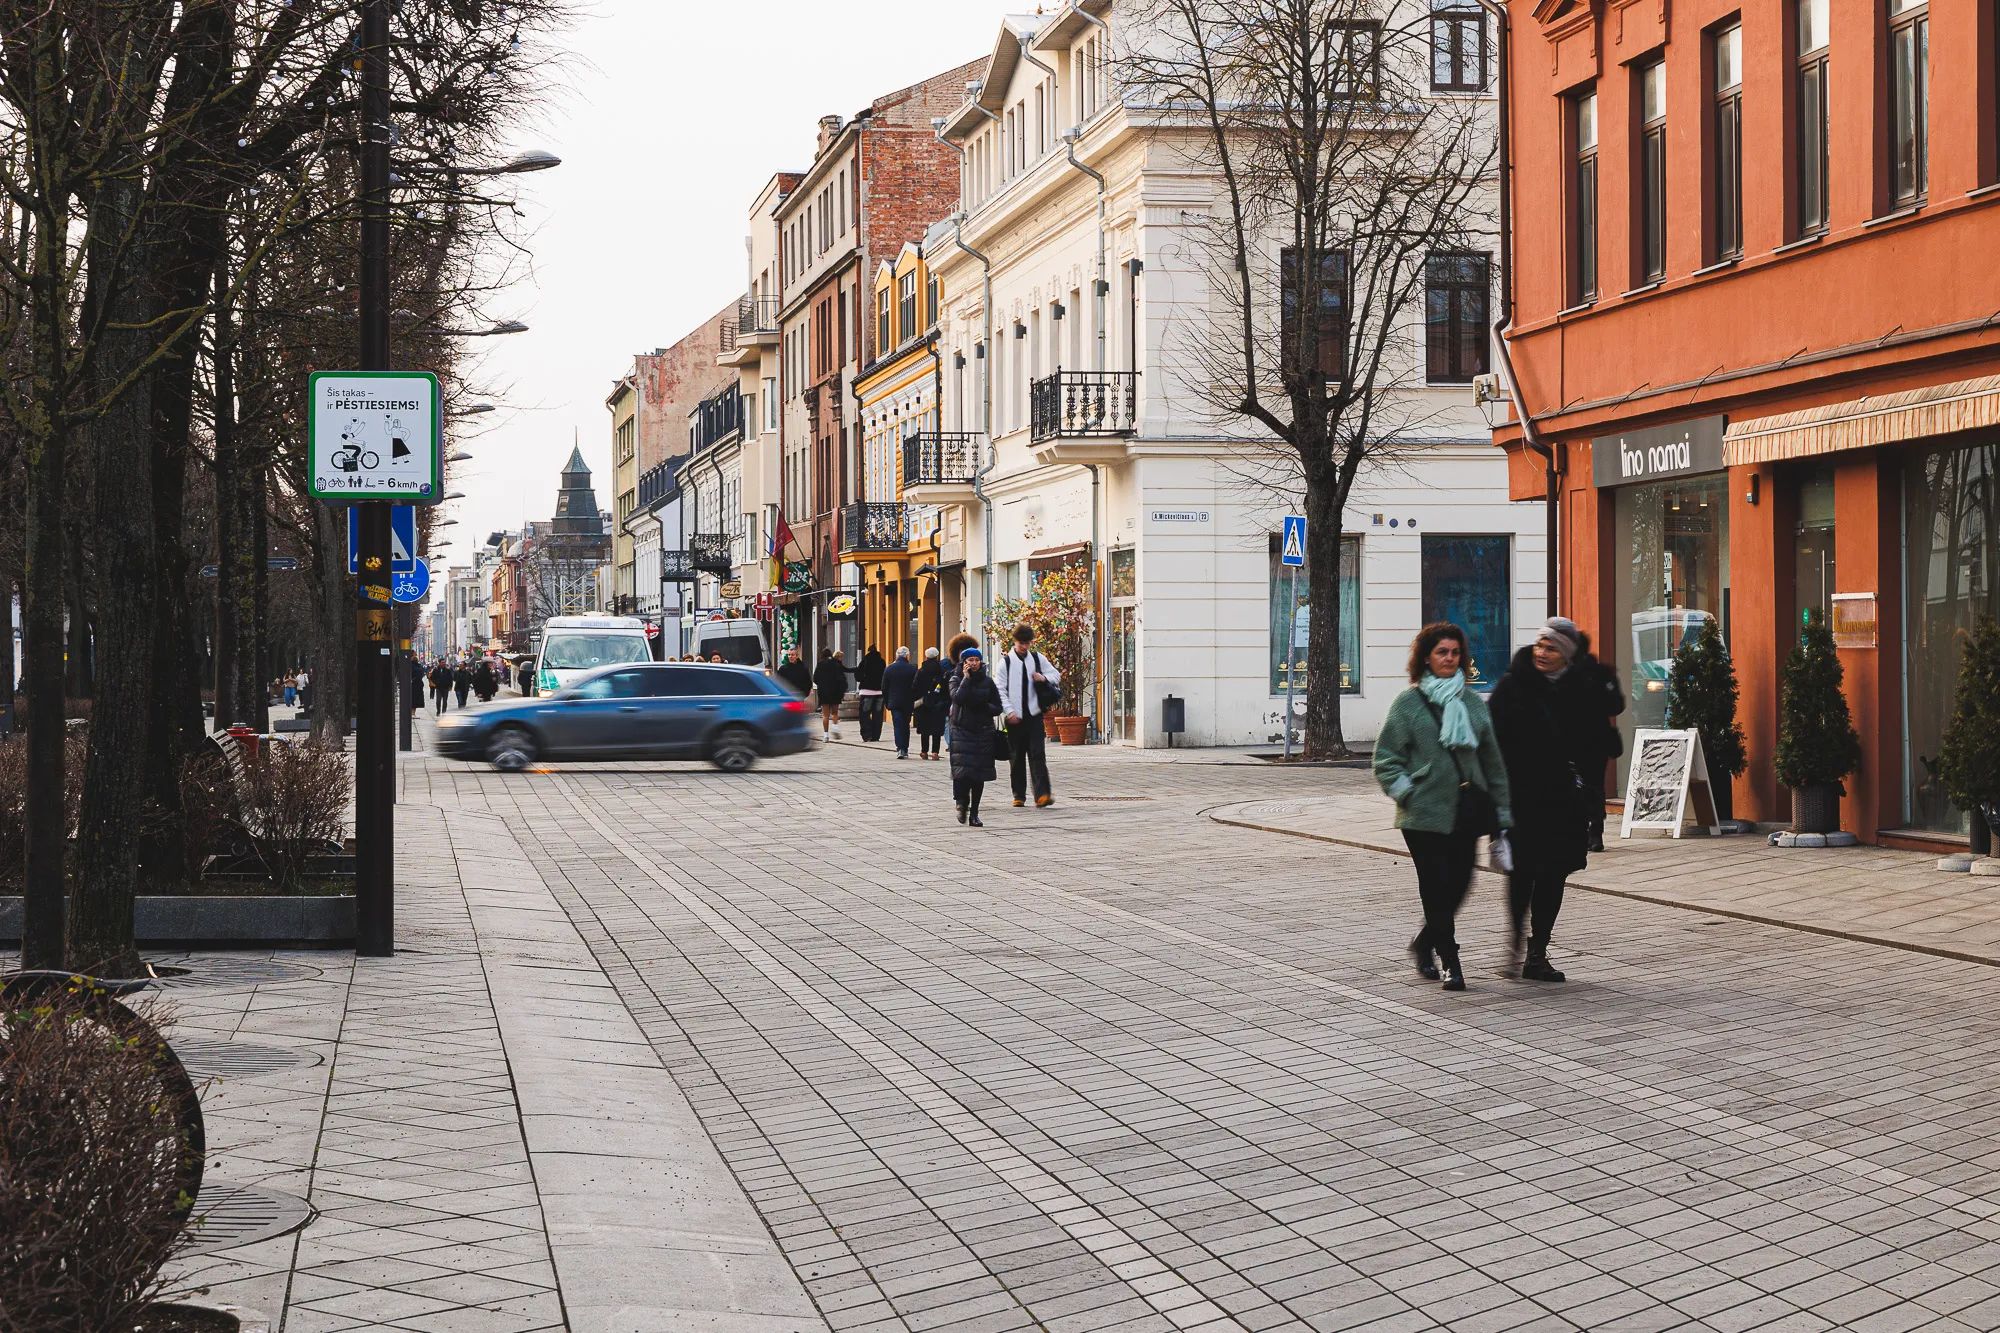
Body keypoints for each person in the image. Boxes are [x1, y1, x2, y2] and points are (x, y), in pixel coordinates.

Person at [1372, 622, 1513, 993]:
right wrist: (1407, 791)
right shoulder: (1409, 703)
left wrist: (1502, 811)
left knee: (1460, 886)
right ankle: (1451, 959)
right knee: (1435, 888)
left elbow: (1493, 763)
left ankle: (1423, 943)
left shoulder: (1472, 702)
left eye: (1455, 653)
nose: (1449, 659)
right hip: (1422, 815)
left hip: (1465, 812)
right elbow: (1386, 758)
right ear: (1426, 658)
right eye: (1441, 652)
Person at [1488, 618, 1610, 983]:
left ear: (1567, 654)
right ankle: (1514, 940)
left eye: (1552, 647)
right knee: (1522, 873)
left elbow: (1595, 747)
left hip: (1564, 803)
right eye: (1541, 644)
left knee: (1554, 875)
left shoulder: (1582, 690)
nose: (1542, 652)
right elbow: (1492, 743)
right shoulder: (1512, 687)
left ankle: (1537, 952)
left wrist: (1589, 797)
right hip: (1521, 798)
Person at [1571, 630, 1626, 852]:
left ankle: (1586, 831)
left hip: (1576, 739)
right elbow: (1618, 706)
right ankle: (1595, 832)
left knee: (1579, 785)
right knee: (1595, 785)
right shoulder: (1602, 673)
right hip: (1597, 740)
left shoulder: (1569, 674)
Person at [996, 623, 1060, 808]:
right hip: (1014, 717)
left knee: (1038, 753)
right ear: (1014, 641)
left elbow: (1056, 675)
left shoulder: (1037, 658)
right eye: (1021, 643)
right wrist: (1009, 711)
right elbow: (1000, 690)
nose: (1024, 646)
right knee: (1016, 757)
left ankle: (1042, 794)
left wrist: (1044, 677)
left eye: (1027, 643)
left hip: (1034, 714)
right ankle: (1019, 795)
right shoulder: (1005, 663)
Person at [947, 646, 1003, 826]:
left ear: (980, 662)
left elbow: (998, 706)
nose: (973, 663)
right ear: (964, 663)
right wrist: (966, 679)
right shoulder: (955, 678)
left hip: (983, 732)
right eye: (969, 660)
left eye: (976, 660)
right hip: (962, 732)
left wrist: (984, 707)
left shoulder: (987, 682)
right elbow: (958, 698)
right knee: (963, 775)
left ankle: (975, 814)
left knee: (979, 776)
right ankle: (962, 804)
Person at [911, 647, 949, 760]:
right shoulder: (942, 671)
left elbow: (915, 687)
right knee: (936, 729)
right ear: (937, 657)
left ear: (926, 656)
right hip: (938, 703)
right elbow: (946, 688)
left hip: (924, 703)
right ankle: (935, 753)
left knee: (925, 729)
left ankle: (924, 751)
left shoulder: (921, 671)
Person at [881, 647, 917, 758]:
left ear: (897, 656)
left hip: (894, 702)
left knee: (897, 725)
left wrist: (887, 701)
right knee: (906, 724)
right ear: (907, 656)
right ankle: (905, 748)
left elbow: (884, 687)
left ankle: (900, 748)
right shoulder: (912, 669)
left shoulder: (889, 669)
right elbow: (916, 686)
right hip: (908, 702)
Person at [812, 648, 848, 740]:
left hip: (824, 692)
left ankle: (826, 735)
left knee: (825, 715)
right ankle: (835, 727)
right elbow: (841, 678)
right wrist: (842, 689)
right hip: (835, 691)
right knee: (835, 712)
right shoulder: (836, 664)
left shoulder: (820, 664)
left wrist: (821, 684)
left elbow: (815, 678)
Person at [855, 645, 886, 742]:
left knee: (865, 714)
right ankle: (876, 735)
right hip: (880, 691)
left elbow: (858, 676)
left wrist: (864, 679)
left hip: (866, 691)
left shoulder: (864, 662)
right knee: (878, 714)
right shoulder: (882, 662)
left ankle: (867, 735)